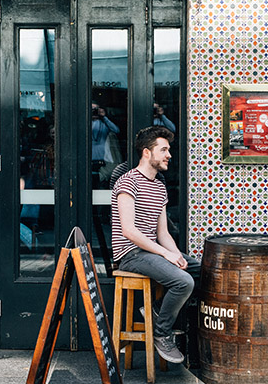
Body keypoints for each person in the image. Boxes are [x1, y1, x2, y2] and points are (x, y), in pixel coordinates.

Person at [111, 126, 198, 364]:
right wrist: (165, 254)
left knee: (200, 270)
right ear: (147, 153)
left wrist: (174, 253)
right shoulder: (127, 183)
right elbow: (128, 230)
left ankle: (157, 311)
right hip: (130, 254)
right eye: (164, 150)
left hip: (151, 252)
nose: (169, 155)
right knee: (183, 281)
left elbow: (163, 233)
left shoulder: (159, 187)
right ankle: (162, 333)